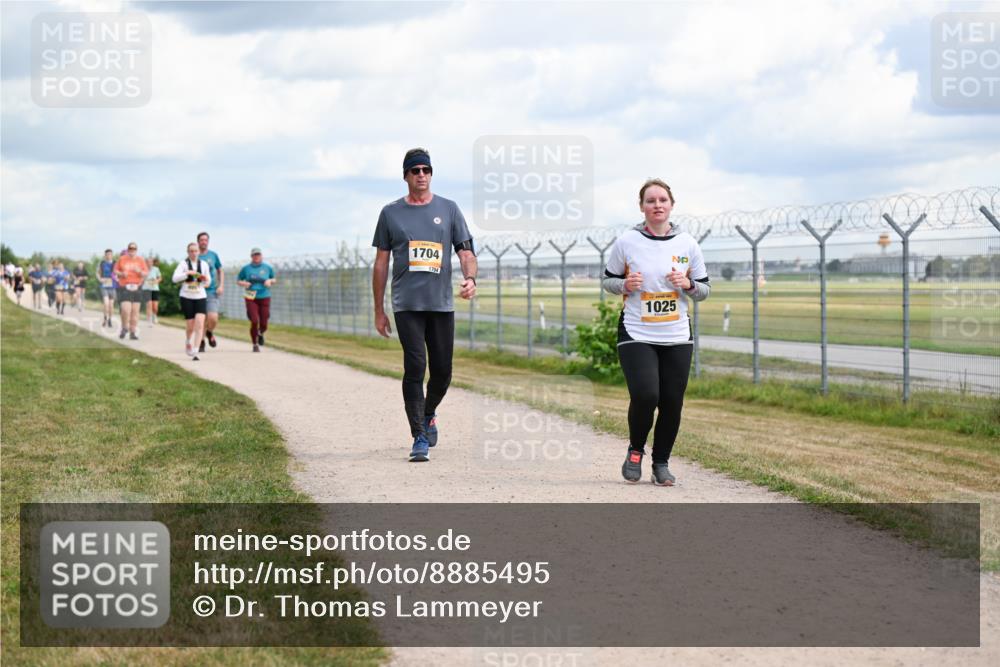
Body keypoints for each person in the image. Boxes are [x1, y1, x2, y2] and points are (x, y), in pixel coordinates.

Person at [602, 178, 710, 486]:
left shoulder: (688, 244)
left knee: (672, 401)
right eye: (651, 201)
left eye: (663, 200)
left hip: (676, 334)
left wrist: (687, 284)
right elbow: (608, 281)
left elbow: (704, 290)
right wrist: (625, 285)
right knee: (647, 394)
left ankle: (661, 462)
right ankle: (636, 449)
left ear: (672, 205)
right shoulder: (627, 242)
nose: (657, 205)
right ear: (642, 207)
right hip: (636, 331)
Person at [372, 147, 477, 462]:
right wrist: (379, 309)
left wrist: (471, 279)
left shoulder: (449, 209)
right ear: (406, 176)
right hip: (407, 304)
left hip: (441, 304)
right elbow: (380, 264)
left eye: (426, 170)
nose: (421, 175)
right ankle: (418, 435)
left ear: (431, 175)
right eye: (415, 170)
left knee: (443, 371)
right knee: (415, 365)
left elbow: (466, 251)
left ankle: (429, 411)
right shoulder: (391, 213)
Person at [172, 242, 211, 361]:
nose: (194, 253)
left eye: (195, 251)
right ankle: (188, 340)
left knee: (199, 323)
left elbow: (208, 282)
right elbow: (174, 279)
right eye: (191, 251)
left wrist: (204, 281)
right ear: (188, 252)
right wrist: (187, 273)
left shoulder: (203, 264)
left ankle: (196, 350)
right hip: (186, 297)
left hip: (200, 296)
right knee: (190, 325)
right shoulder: (183, 264)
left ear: (199, 252)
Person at [236, 248, 276, 353]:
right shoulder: (246, 268)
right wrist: (244, 283)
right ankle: (255, 344)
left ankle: (260, 333)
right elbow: (238, 280)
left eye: (258, 254)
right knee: (254, 320)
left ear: (261, 255)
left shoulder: (267, 267)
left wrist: (270, 281)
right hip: (250, 296)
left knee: (264, 323)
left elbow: (274, 279)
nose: (256, 256)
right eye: (254, 255)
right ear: (251, 256)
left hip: (264, 296)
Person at [114, 242, 149, 340]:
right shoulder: (122, 259)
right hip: (125, 287)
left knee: (135, 312)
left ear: (136, 250)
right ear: (128, 249)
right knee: (125, 310)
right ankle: (125, 327)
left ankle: (132, 332)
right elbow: (115, 271)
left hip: (137, 287)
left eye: (134, 248)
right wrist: (121, 273)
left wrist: (140, 272)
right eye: (130, 248)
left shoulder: (141, 260)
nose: (132, 250)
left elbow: (146, 273)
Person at [197, 232, 224, 353]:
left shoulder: (213, 255)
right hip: (197, 291)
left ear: (208, 241)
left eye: (205, 240)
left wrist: (221, 285)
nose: (203, 242)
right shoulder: (194, 255)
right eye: (201, 240)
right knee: (201, 318)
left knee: (213, 318)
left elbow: (220, 270)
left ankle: (209, 332)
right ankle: (201, 342)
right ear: (198, 241)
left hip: (212, 290)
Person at [97, 249, 117, 327]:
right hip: (104, 286)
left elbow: (118, 273)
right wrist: (100, 279)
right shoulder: (102, 263)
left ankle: (110, 320)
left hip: (112, 286)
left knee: (111, 305)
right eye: (107, 254)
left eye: (110, 254)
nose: (109, 256)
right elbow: (98, 273)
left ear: (112, 255)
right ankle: (105, 318)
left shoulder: (116, 263)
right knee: (106, 303)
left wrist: (116, 278)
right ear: (105, 255)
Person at [143, 257, 162, 325]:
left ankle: (155, 316)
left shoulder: (156, 269)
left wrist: (156, 281)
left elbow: (160, 278)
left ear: (153, 262)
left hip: (155, 289)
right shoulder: (143, 269)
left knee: (155, 306)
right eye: (147, 261)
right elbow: (140, 277)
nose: (149, 263)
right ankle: (149, 319)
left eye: (150, 262)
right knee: (149, 305)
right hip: (146, 289)